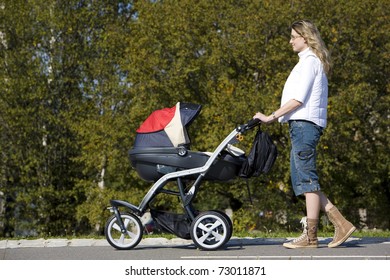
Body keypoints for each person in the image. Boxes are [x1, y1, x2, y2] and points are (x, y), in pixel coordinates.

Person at [253, 20, 355, 249]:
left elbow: (298, 99)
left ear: (305, 38)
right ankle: (338, 223)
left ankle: (312, 236)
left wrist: (271, 116)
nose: (290, 41)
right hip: (301, 125)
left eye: (293, 36)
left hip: (304, 125)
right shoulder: (306, 62)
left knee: (307, 179)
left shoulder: (309, 63)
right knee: (304, 179)